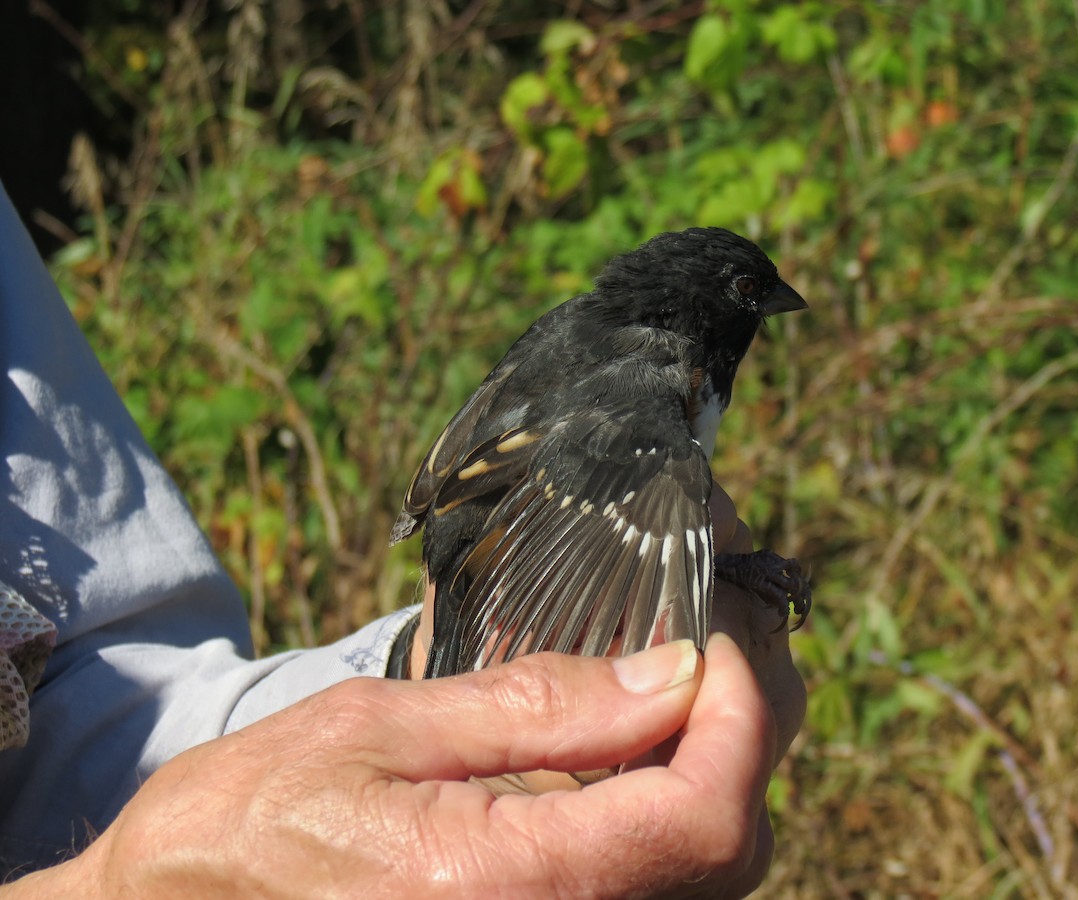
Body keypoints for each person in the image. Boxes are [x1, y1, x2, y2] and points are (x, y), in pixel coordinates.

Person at [0, 179, 805, 896]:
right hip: (487, 522)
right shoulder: (646, 381)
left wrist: (410, 669)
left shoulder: (590, 333)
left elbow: (93, 683)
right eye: (748, 290)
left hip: (475, 528)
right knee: (671, 514)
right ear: (702, 300)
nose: (773, 304)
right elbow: (613, 541)